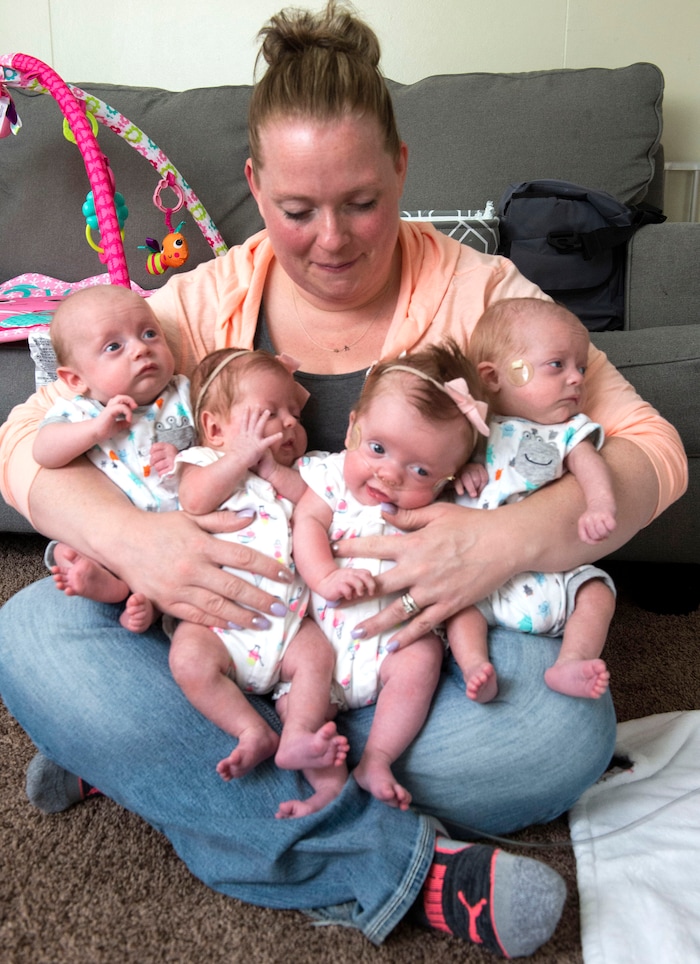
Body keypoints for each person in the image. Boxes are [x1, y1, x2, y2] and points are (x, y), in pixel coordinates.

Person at [0, 2, 687, 957]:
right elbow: (25, 436)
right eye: (296, 209)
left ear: (402, 166)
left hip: (410, 652)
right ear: (254, 186)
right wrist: (139, 543)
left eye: (362, 201)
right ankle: (397, 864)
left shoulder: (482, 295)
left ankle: (156, 764)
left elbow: (653, 449)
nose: (333, 239)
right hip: (242, 631)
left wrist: (501, 542)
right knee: (30, 633)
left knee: (552, 738)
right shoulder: (207, 297)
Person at [293, 343, 488, 812]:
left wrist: (472, 479)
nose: (390, 474)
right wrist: (323, 577)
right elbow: (307, 524)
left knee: (421, 660)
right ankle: (321, 777)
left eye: (420, 469)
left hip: (393, 648)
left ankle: (377, 759)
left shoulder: (439, 504)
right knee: (301, 690)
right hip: (321, 639)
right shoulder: (328, 478)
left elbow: (474, 532)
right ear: (352, 426)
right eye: (377, 448)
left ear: (447, 477)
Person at [170, 347, 348, 813]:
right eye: (271, 413)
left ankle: (302, 742)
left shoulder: (302, 472)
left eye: (295, 412)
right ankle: (251, 729)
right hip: (217, 628)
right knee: (188, 660)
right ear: (215, 428)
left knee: (317, 659)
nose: (290, 423)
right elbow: (194, 499)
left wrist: (271, 469)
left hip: (288, 625)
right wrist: (240, 458)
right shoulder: (202, 460)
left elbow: (317, 503)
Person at [448, 298, 617, 703]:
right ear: (492, 377)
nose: (576, 379)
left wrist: (600, 505)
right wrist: (461, 470)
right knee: (459, 612)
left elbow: (591, 467)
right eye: (557, 365)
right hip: (475, 582)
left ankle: (571, 661)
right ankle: (475, 667)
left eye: (581, 368)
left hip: (551, 574)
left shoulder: (568, 432)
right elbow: (436, 466)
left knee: (597, 591)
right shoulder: (472, 427)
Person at [32, 284, 195, 632]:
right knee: (70, 549)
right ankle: (113, 587)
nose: (140, 349)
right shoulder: (82, 411)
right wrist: (96, 429)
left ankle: (152, 605)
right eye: (114, 346)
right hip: (119, 533)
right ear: (76, 379)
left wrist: (184, 452)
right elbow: (44, 451)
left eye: (150, 334)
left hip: (185, 528)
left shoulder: (185, 391)